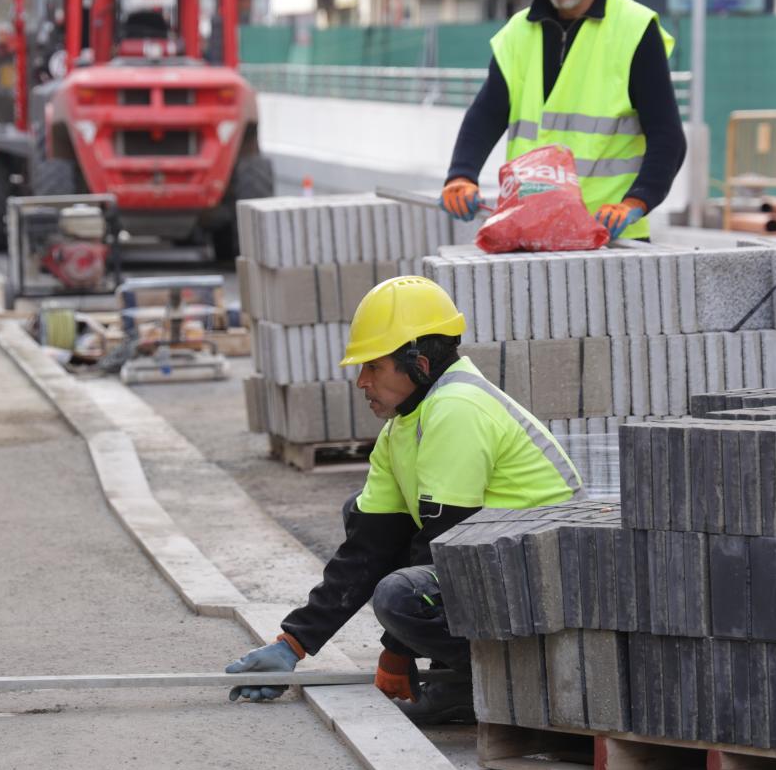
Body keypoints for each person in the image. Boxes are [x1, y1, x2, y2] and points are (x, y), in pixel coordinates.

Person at [225, 276, 583, 724]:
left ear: (417, 362)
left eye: (373, 367)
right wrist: (292, 644)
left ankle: (520, 681)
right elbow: (367, 549)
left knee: (401, 596)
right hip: (502, 566)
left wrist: (396, 650)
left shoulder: (457, 409)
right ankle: (461, 683)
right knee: (364, 515)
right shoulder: (404, 425)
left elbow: (444, 549)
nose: (361, 382)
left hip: (554, 583)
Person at [441, 0, 686, 241]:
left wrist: (635, 202)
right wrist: (461, 175)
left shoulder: (633, 29)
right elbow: (486, 113)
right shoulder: (518, 33)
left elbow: (668, 137)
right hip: (530, 232)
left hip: (609, 237)